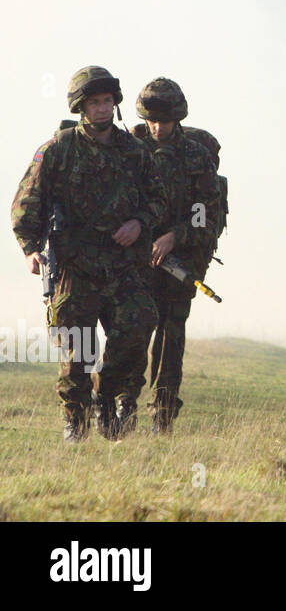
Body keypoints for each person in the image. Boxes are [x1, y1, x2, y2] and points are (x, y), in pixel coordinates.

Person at [11, 66, 165, 442]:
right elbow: (27, 202)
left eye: (107, 101)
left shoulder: (135, 151)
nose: (102, 109)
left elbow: (159, 200)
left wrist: (140, 223)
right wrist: (30, 249)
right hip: (74, 264)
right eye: (94, 103)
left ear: (116, 103)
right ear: (81, 106)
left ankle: (106, 396)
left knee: (138, 327)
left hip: (124, 263)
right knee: (76, 348)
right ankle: (74, 421)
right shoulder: (58, 149)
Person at [131, 78, 222, 433]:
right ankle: (121, 404)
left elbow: (206, 215)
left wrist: (174, 237)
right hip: (134, 259)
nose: (158, 127)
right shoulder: (130, 148)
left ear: (177, 118)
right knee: (132, 332)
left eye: (165, 121)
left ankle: (162, 416)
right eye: (152, 120)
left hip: (180, 261)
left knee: (170, 337)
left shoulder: (196, 157)